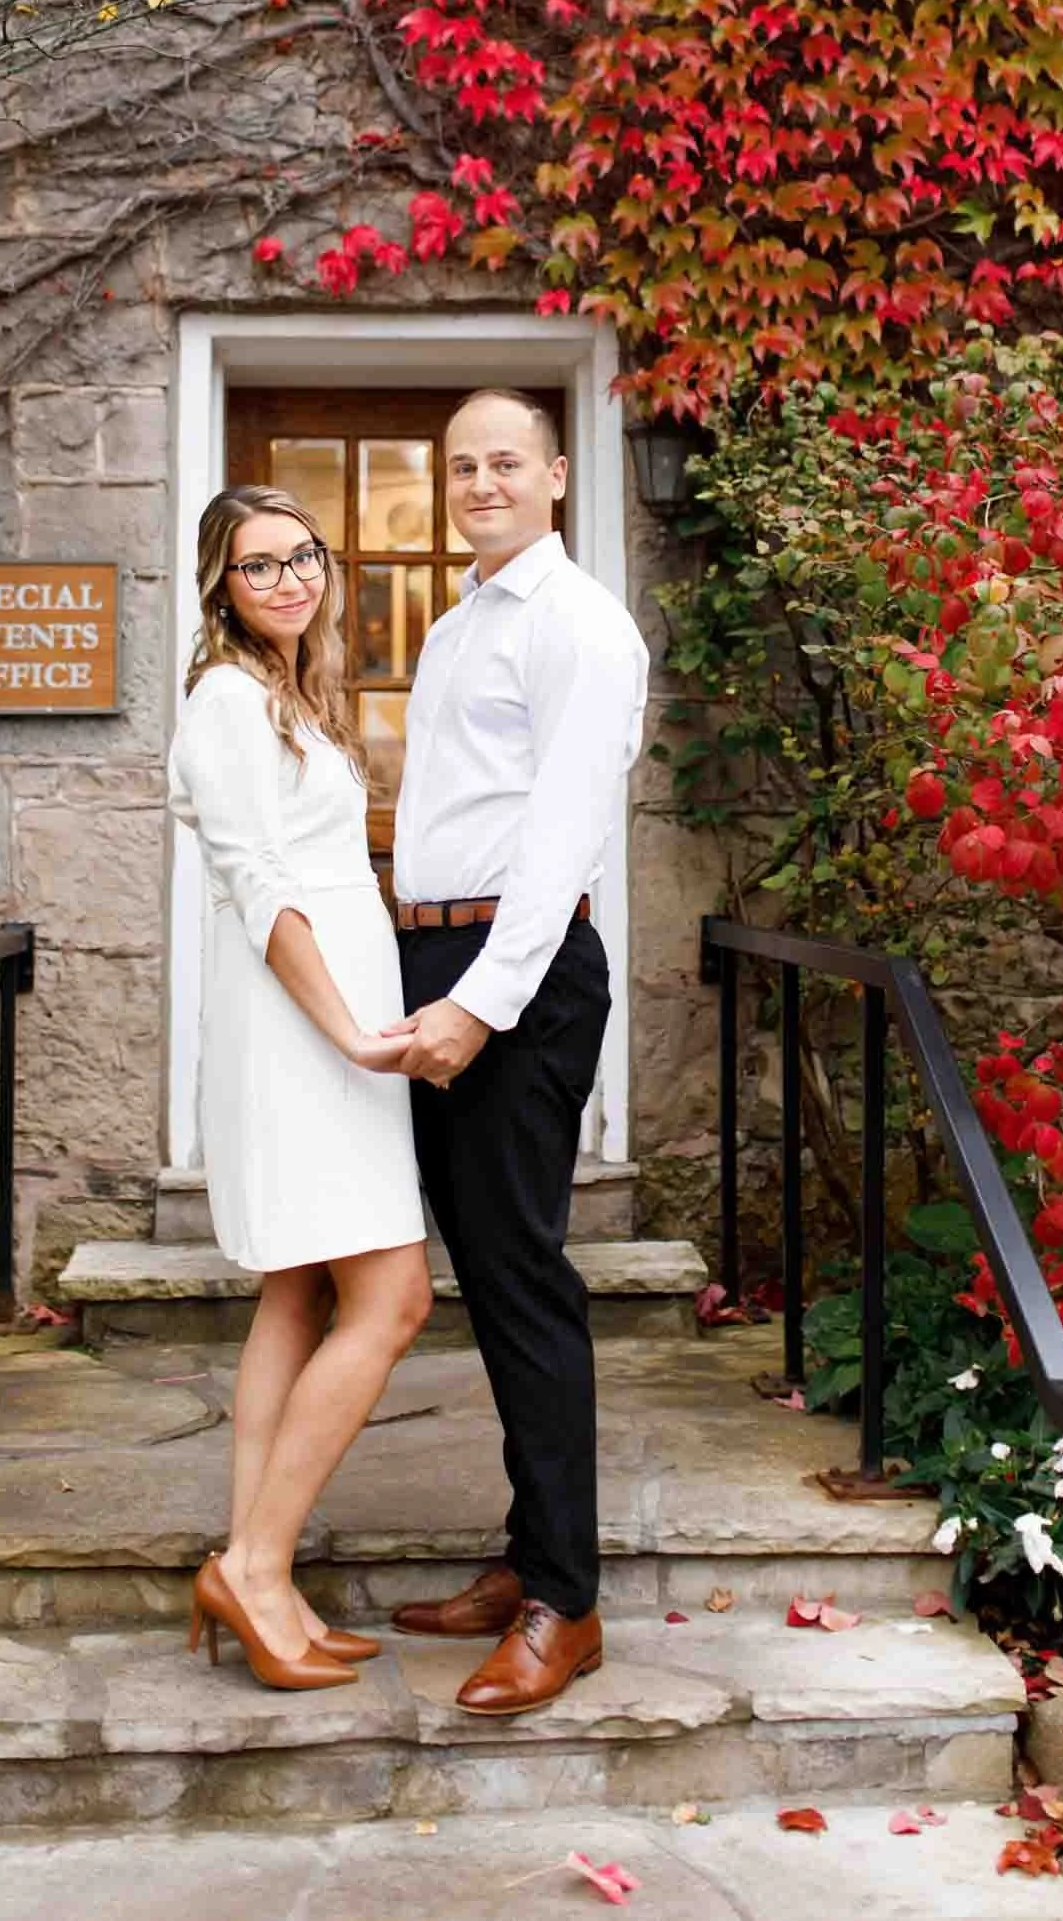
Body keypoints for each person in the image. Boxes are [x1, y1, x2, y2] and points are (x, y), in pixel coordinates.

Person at [383, 388, 649, 1716]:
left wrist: (480, 1005)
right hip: (441, 957)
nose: (480, 480)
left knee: (523, 1278)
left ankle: (565, 1604)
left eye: (504, 461)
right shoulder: (455, 625)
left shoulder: (580, 631)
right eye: (461, 465)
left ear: (554, 475)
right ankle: (525, 1552)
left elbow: (556, 841)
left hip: (518, 975)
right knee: (485, 1278)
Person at [167, 485, 432, 1694]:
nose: (286, 579)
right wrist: (349, 1036)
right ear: (219, 585)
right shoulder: (225, 701)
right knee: (392, 1298)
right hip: (302, 1036)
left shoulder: (291, 698)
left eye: (302, 556)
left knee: (296, 1290)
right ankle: (257, 1566)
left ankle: (251, 1567)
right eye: (256, 564)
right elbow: (263, 886)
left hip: (339, 1030)